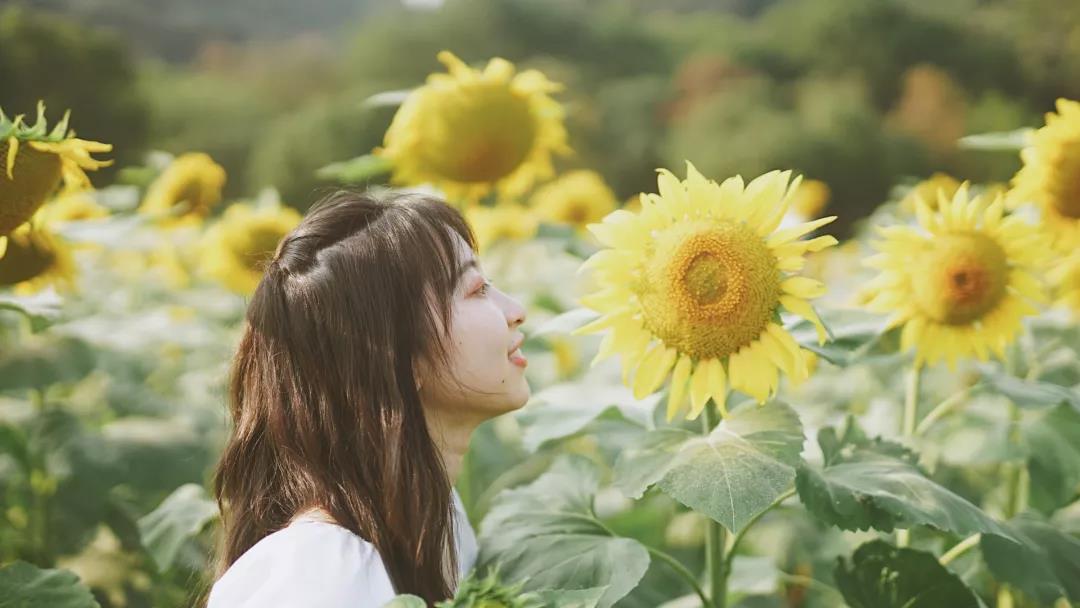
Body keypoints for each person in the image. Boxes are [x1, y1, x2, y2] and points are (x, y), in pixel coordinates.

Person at [204, 189, 530, 607]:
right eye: (477, 288)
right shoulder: (321, 574)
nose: (515, 309)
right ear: (397, 357)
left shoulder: (437, 525)